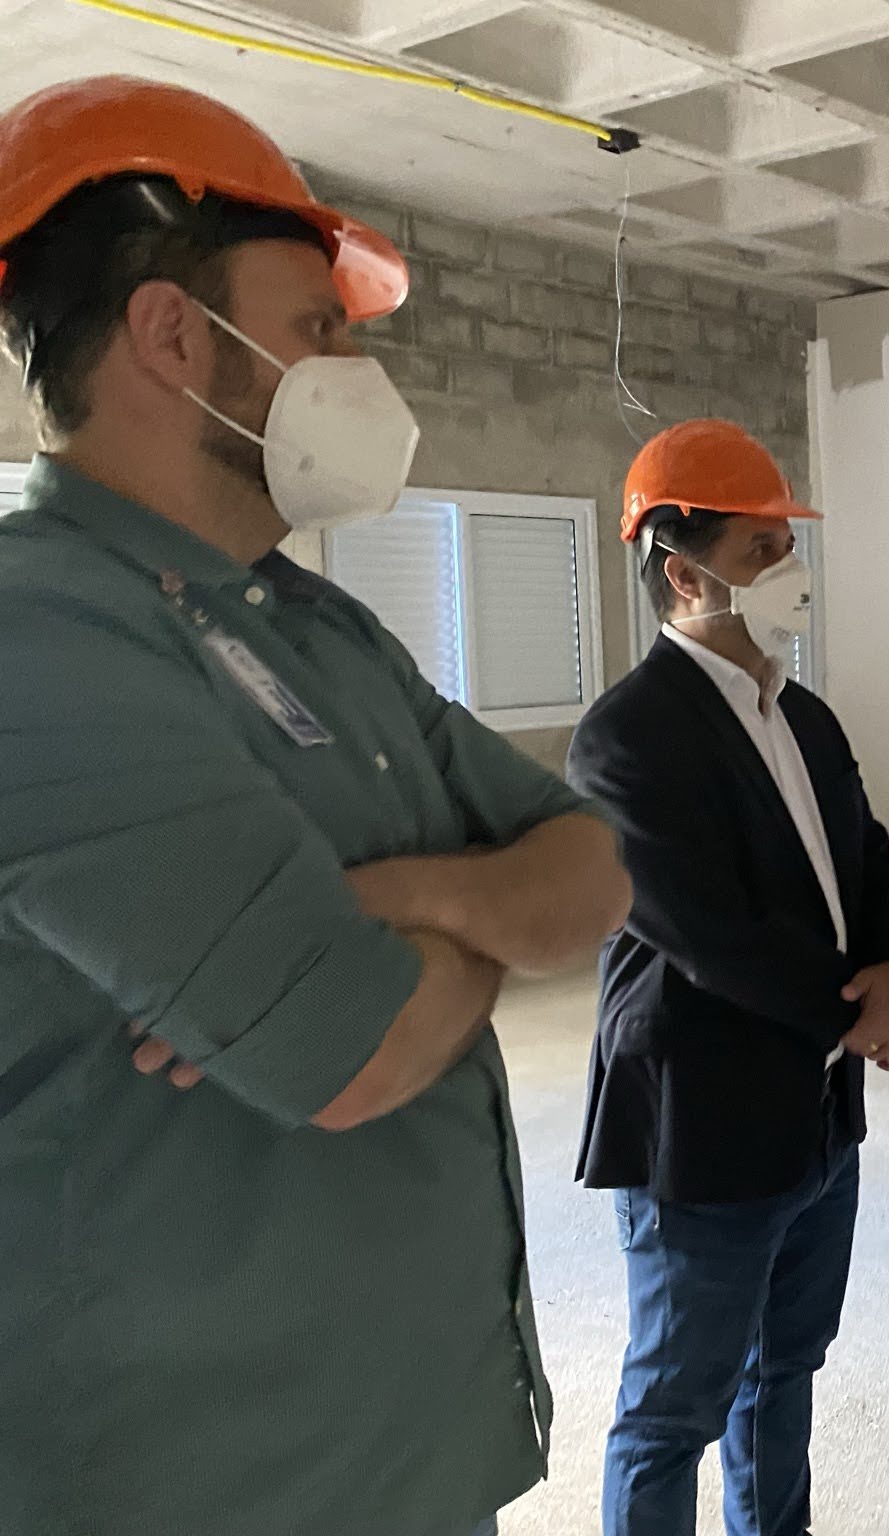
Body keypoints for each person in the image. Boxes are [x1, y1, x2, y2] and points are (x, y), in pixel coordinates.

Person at [0, 76, 631, 1536]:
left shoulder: (318, 626)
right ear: (173, 336)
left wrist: (411, 905)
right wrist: (479, 922)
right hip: (204, 1476)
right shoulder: (40, 637)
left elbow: (596, 873)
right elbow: (356, 1052)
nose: (355, 368)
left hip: (405, 1448)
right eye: (320, 328)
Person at [568, 418, 889, 1536]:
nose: (789, 569)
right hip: (703, 1130)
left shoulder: (801, 715)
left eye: (788, 544)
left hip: (818, 1122)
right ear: (684, 573)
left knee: (783, 1374)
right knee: (675, 1408)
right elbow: (708, 932)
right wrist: (844, 1012)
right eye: (761, 549)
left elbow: (872, 863)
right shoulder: (627, 738)